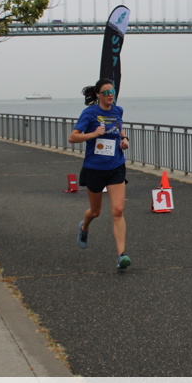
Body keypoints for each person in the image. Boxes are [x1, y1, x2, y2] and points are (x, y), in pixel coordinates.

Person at [68, 78, 132, 270]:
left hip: (116, 165)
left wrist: (125, 139)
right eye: (106, 92)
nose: (110, 95)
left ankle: (121, 255)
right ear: (98, 95)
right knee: (95, 212)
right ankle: (84, 227)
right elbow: (72, 137)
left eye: (112, 91)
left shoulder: (118, 110)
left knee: (118, 210)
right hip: (94, 168)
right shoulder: (89, 113)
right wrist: (94, 134)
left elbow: (119, 129)